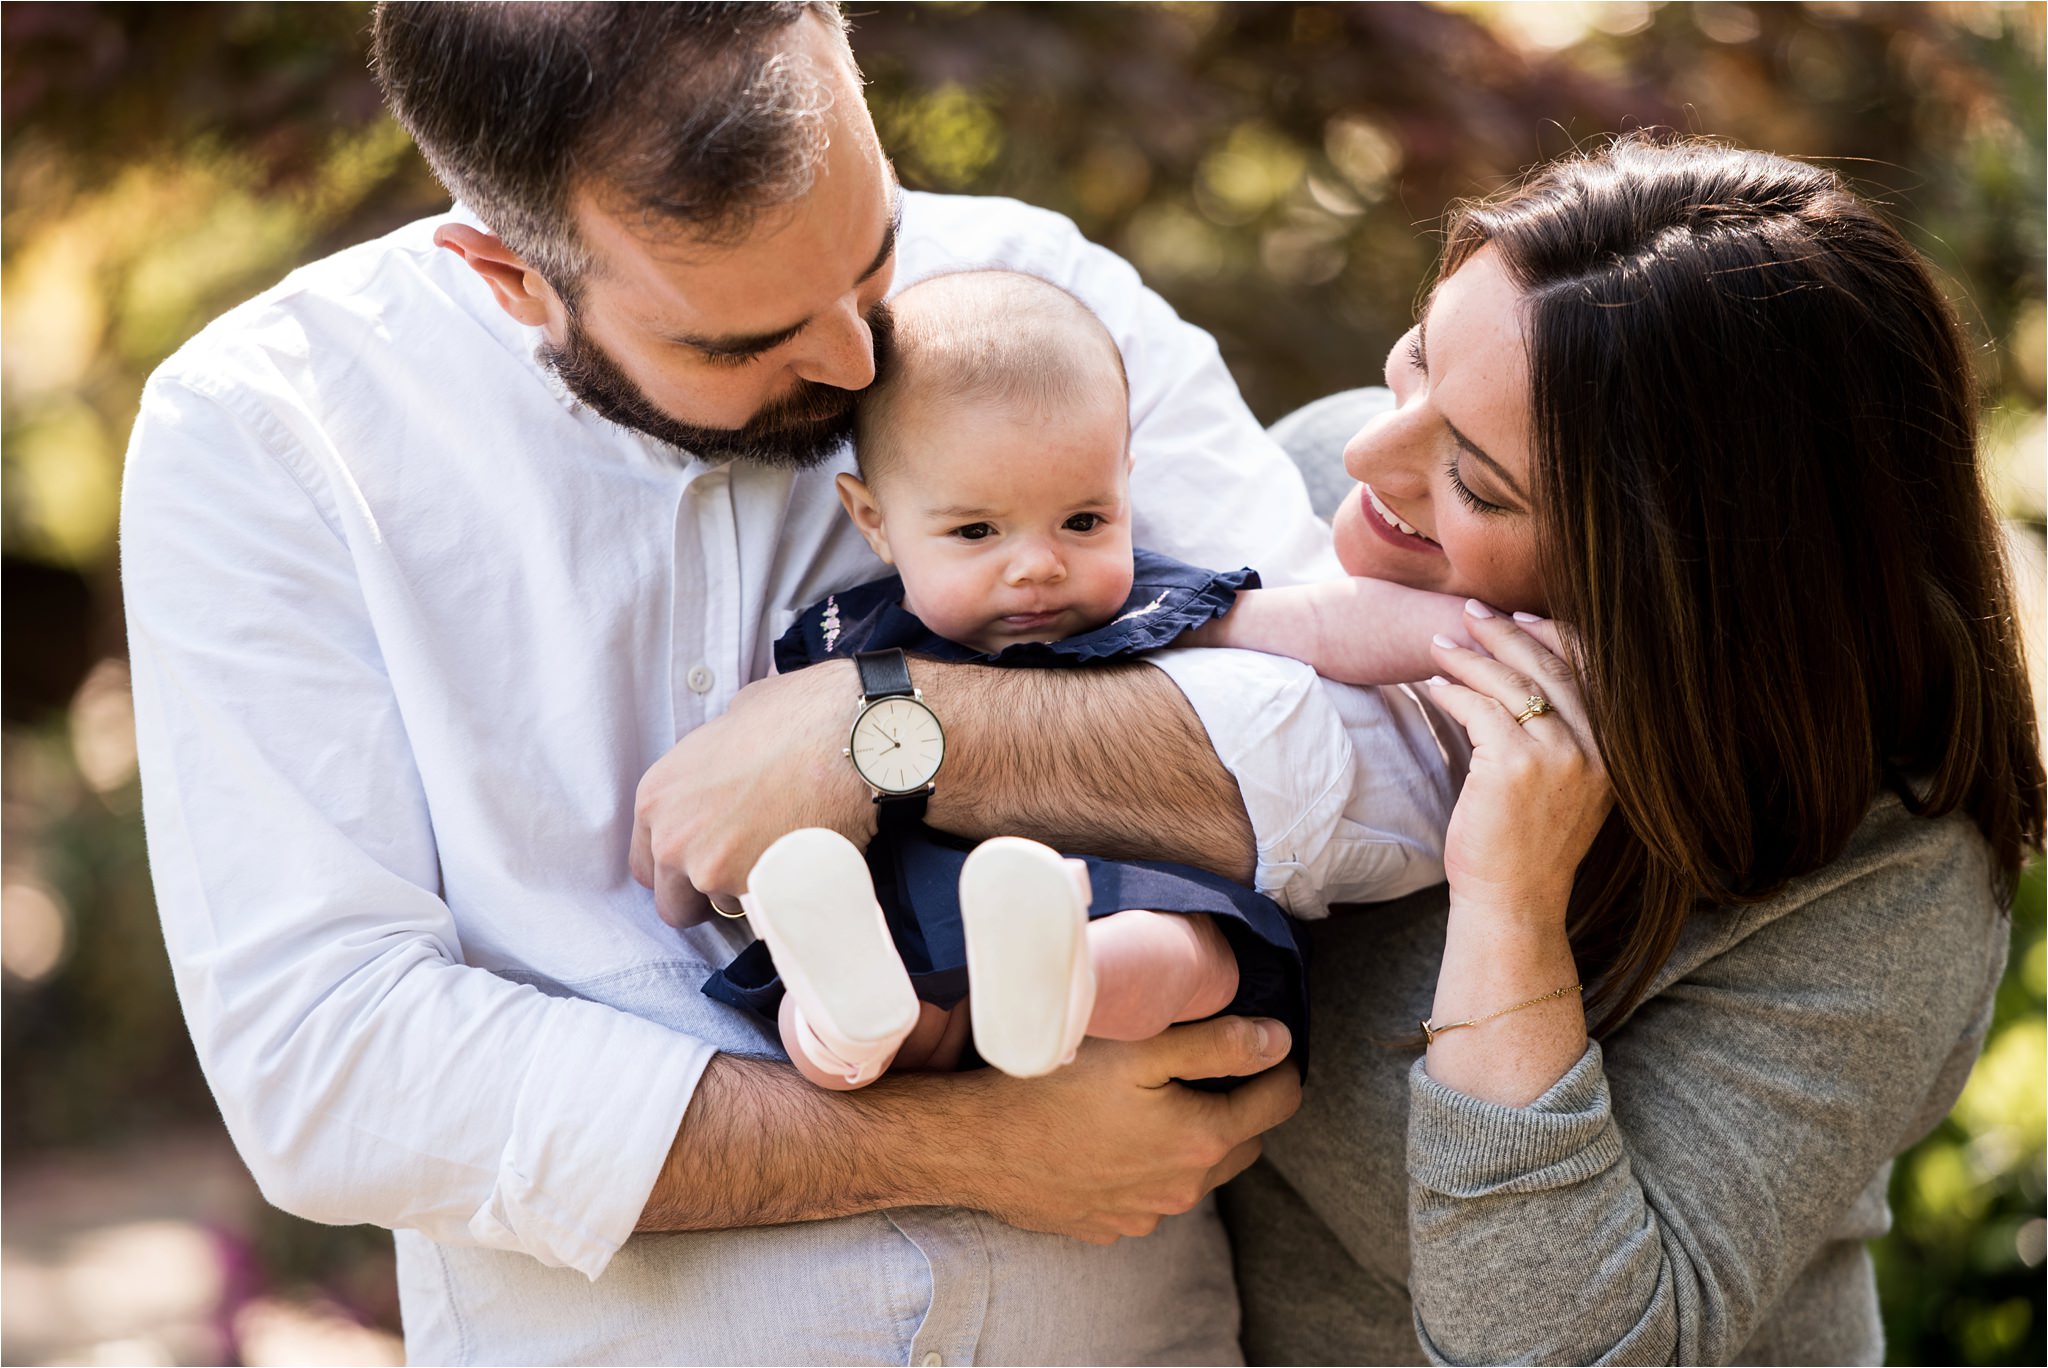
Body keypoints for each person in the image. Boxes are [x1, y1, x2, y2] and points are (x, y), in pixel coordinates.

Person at [119, 4, 1456, 1362]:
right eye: (741, 343)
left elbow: (1404, 763)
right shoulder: (266, 439)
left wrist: (900, 729)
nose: (862, 362)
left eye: (873, 263)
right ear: (510, 275)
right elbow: (330, 1063)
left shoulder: (1035, 299)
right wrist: (971, 1146)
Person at [1208, 134, 2045, 1364]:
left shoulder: (1889, 873)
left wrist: (1509, 903)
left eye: (1480, 487)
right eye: (1416, 359)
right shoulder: (1304, 494)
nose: (1364, 457)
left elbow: (1559, 1349)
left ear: (1681, 582)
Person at [707, 269, 1470, 1092]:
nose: (1038, 565)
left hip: (1111, 887)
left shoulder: (1147, 599)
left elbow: (1320, 621)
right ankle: (849, 1013)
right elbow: (764, 774)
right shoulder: (841, 643)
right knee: (815, 1003)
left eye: (1083, 520)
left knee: (1191, 945)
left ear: (1124, 483)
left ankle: (1063, 971)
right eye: (975, 531)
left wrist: (1487, 637)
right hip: (910, 917)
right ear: (875, 522)